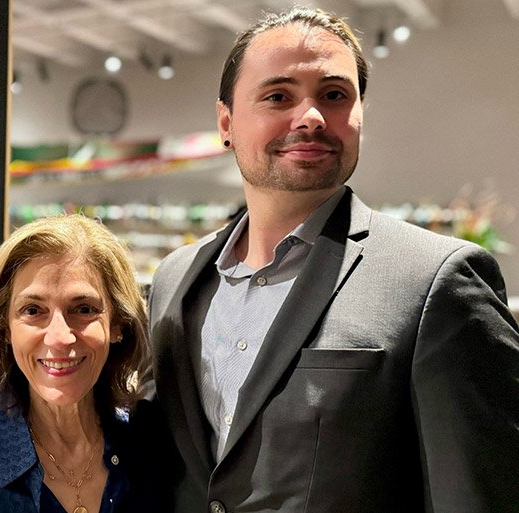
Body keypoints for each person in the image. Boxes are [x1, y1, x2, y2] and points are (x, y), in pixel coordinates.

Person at [143, 7, 519, 513]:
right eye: (278, 96)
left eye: (335, 95)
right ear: (226, 122)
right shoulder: (175, 279)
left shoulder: (437, 282)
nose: (312, 117)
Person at [0, 215, 161, 513]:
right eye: (33, 310)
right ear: (5, 329)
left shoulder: (151, 444)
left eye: (84, 309)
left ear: (117, 324)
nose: (59, 338)